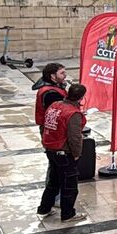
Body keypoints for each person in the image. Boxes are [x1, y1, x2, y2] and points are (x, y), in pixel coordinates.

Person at [37, 84, 87, 222]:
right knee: (69, 185)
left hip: (51, 149)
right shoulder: (73, 113)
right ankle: (68, 214)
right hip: (64, 153)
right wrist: (77, 154)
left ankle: (44, 208)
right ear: (81, 98)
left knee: (53, 182)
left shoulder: (55, 105)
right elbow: (75, 137)